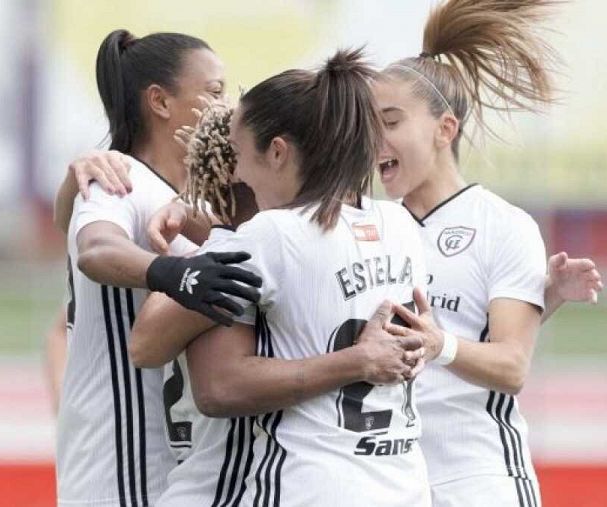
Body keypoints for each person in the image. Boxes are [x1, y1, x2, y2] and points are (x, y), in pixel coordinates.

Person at [132, 48, 436, 506]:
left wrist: (215, 238)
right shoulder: (402, 226)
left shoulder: (271, 236)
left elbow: (151, 347)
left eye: (236, 153)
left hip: (313, 487)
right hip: (404, 484)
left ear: (277, 152)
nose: (234, 171)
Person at [372, 0, 602, 504]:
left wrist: (441, 345)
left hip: (477, 481)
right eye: (367, 124)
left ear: (444, 129)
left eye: (389, 121)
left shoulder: (502, 225)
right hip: (388, 485)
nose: (374, 139)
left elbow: (512, 365)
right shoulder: (369, 225)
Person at [55, 29, 263, 507]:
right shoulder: (117, 179)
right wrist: (177, 275)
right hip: (121, 460)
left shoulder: (197, 199)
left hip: (179, 464)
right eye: (213, 92)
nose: (226, 106)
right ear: (160, 102)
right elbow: (96, 251)